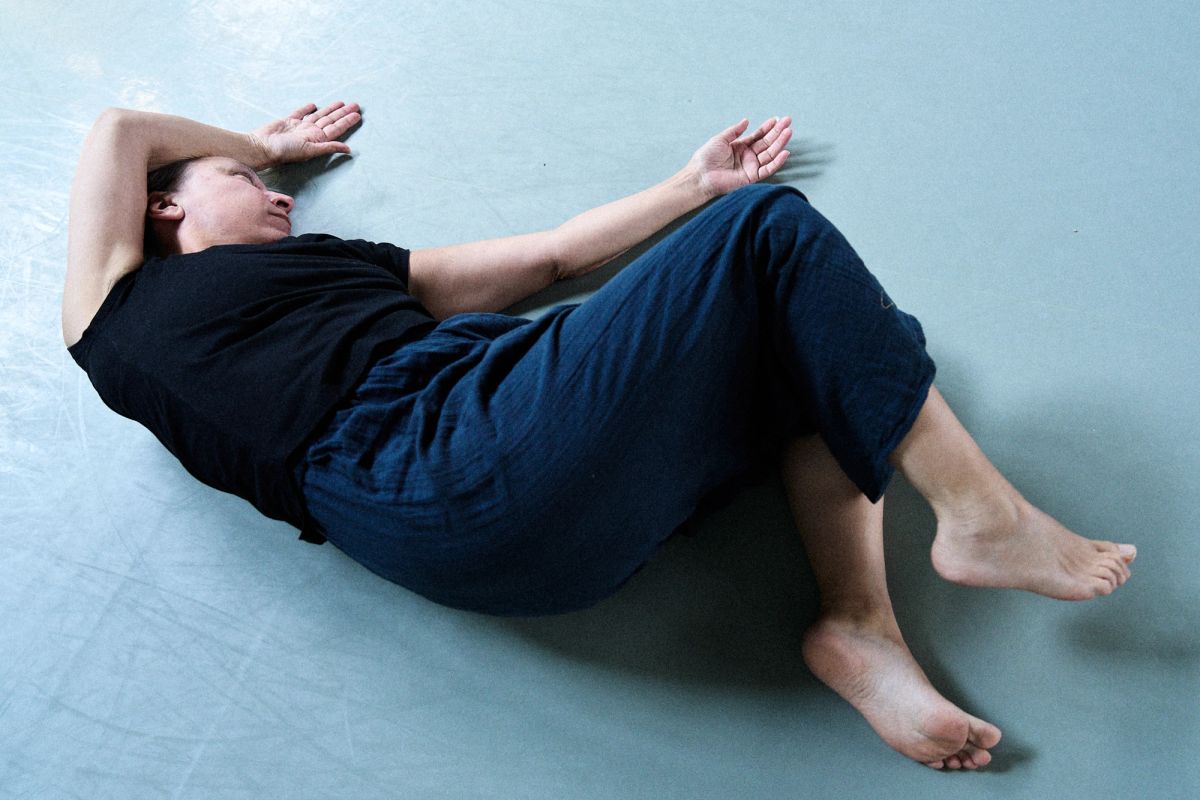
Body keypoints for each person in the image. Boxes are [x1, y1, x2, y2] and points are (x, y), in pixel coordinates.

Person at [62, 100, 1136, 771]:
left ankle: (861, 630)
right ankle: (983, 514)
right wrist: (268, 143)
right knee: (769, 234)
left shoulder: (350, 267)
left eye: (271, 184)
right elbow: (121, 130)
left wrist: (687, 189)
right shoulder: (116, 316)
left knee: (838, 342)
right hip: (429, 462)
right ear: (164, 210)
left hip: (524, 496)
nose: (278, 199)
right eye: (246, 188)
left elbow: (551, 258)